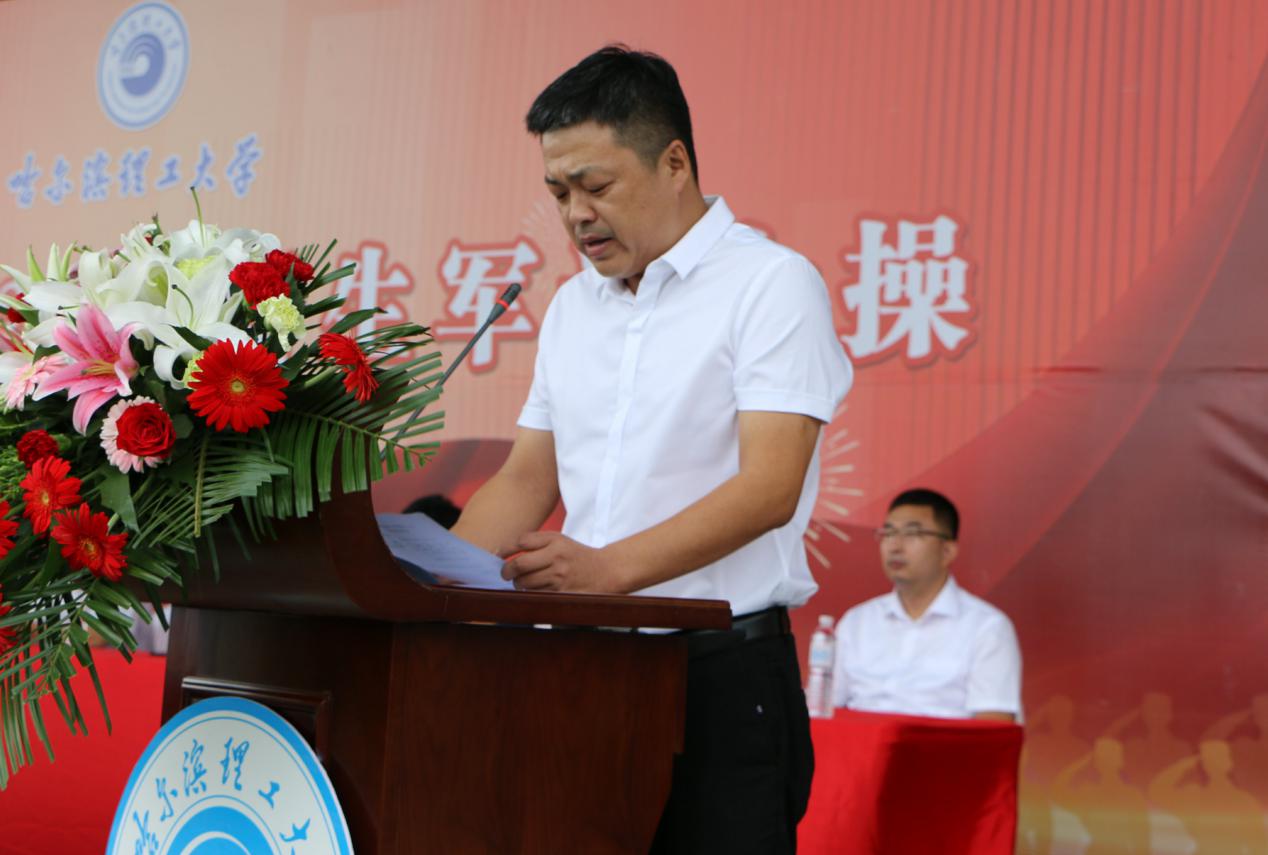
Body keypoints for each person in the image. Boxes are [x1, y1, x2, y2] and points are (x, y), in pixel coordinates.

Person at [450, 45, 852, 854]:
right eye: (558, 193)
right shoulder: (573, 308)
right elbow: (527, 478)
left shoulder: (770, 284)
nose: (576, 215)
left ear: (674, 163)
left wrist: (608, 572)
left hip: (720, 679)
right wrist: (432, 583)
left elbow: (771, 485)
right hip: (584, 673)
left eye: (596, 186)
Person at [832, 488, 1022, 721]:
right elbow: (824, 708)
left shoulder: (987, 628)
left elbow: (994, 727)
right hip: (859, 743)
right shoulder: (856, 622)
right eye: (888, 533)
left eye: (912, 534)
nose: (895, 546)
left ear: (947, 551)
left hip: (943, 745)